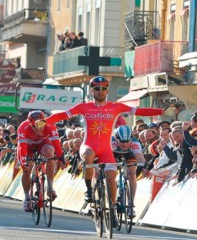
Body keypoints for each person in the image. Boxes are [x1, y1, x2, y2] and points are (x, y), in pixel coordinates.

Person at [45, 76, 163, 226]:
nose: (100, 91)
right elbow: (63, 115)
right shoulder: (84, 107)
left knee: (111, 177)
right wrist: (45, 121)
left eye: (104, 88)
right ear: (91, 90)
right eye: (97, 88)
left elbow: (139, 110)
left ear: (107, 90)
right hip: (89, 145)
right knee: (88, 156)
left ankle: (112, 210)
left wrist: (160, 110)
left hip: (106, 149)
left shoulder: (116, 107)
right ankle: (88, 189)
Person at [17, 110, 65, 212]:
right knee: (26, 169)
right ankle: (27, 199)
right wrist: (24, 161)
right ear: (30, 124)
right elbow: (22, 147)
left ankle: (50, 188)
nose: (38, 129)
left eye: (40, 125)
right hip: (27, 145)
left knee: (50, 154)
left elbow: (56, 143)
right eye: (35, 126)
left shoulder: (50, 125)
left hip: (43, 143)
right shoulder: (23, 127)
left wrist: (61, 157)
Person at [112, 125, 145, 217]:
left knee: (132, 173)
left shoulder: (135, 143)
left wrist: (144, 167)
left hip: (129, 155)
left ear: (131, 139)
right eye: (122, 141)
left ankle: (131, 204)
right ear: (116, 138)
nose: (125, 144)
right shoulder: (111, 142)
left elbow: (140, 159)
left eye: (127, 141)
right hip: (113, 154)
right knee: (111, 173)